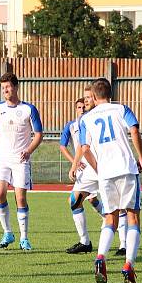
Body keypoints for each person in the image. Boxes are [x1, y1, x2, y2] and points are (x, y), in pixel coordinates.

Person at [71, 78, 142, 283]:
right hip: (126, 169)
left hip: (105, 173)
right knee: (132, 217)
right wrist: (140, 156)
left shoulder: (86, 118)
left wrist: (99, 169)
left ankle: (101, 257)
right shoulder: (121, 109)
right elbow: (134, 130)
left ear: (93, 97)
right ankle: (129, 264)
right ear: (110, 94)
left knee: (109, 218)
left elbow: (85, 149)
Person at [0, 72, 44, 251]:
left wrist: (28, 151)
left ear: (16, 87)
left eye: (8, 86)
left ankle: (24, 238)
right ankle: (8, 232)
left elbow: (39, 135)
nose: (5, 89)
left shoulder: (28, 109)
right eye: (3, 87)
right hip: (2, 158)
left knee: (20, 197)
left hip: (20, 159)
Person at [59, 96, 102, 254]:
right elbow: (65, 146)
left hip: (102, 164)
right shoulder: (71, 126)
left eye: (84, 106)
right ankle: (85, 242)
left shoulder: (94, 120)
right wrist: (75, 163)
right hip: (85, 168)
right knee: (75, 200)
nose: (82, 109)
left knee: (116, 204)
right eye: (79, 107)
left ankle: (124, 243)